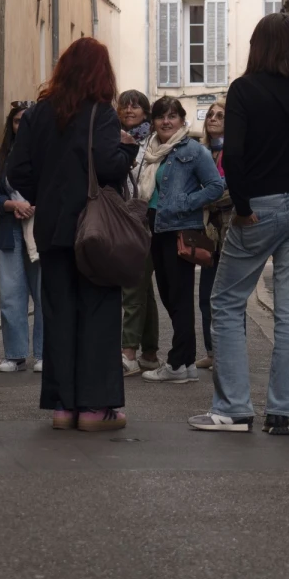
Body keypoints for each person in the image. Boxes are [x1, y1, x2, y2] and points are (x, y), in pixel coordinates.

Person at [188, 13, 289, 436]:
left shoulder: (244, 89)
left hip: (261, 206)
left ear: (257, 47)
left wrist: (242, 206)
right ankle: (281, 410)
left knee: (226, 301)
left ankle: (233, 408)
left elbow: (234, 155)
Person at [7, 38, 138, 432]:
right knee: (98, 314)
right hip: (93, 230)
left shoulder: (37, 114)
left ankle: (64, 408)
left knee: (59, 315)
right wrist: (128, 151)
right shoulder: (101, 113)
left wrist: (47, 195)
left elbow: (17, 170)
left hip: (51, 229)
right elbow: (110, 165)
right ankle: (96, 409)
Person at [136, 97, 225, 383]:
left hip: (180, 231)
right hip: (154, 229)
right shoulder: (151, 150)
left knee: (180, 297)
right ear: (153, 122)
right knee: (168, 295)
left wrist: (186, 202)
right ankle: (186, 363)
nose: (166, 121)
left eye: (172, 116)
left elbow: (216, 186)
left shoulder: (194, 150)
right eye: (161, 116)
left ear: (182, 120)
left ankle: (176, 363)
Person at [0, 101, 43, 373]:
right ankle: (15, 355)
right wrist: (12, 205)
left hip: (41, 230)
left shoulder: (47, 152)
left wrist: (34, 206)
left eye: (27, 120)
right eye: (18, 121)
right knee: (10, 295)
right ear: (11, 125)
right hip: (9, 232)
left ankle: (44, 354)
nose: (22, 125)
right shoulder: (2, 157)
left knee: (44, 295)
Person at [118, 89, 161, 375]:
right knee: (143, 287)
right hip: (121, 218)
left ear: (146, 112)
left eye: (135, 106)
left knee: (134, 284)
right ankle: (150, 353)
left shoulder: (154, 141)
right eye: (125, 106)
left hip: (146, 218)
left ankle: (128, 353)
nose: (129, 110)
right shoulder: (113, 137)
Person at [197, 101, 232, 369]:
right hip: (206, 232)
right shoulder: (200, 152)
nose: (213, 118)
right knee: (205, 296)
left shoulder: (236, 152)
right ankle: (211, 352)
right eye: (210, 114)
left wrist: (206, 196)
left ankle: (230, 354)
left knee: (230, 297)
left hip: (231, 229)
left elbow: (235, 188)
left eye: (220, 115)